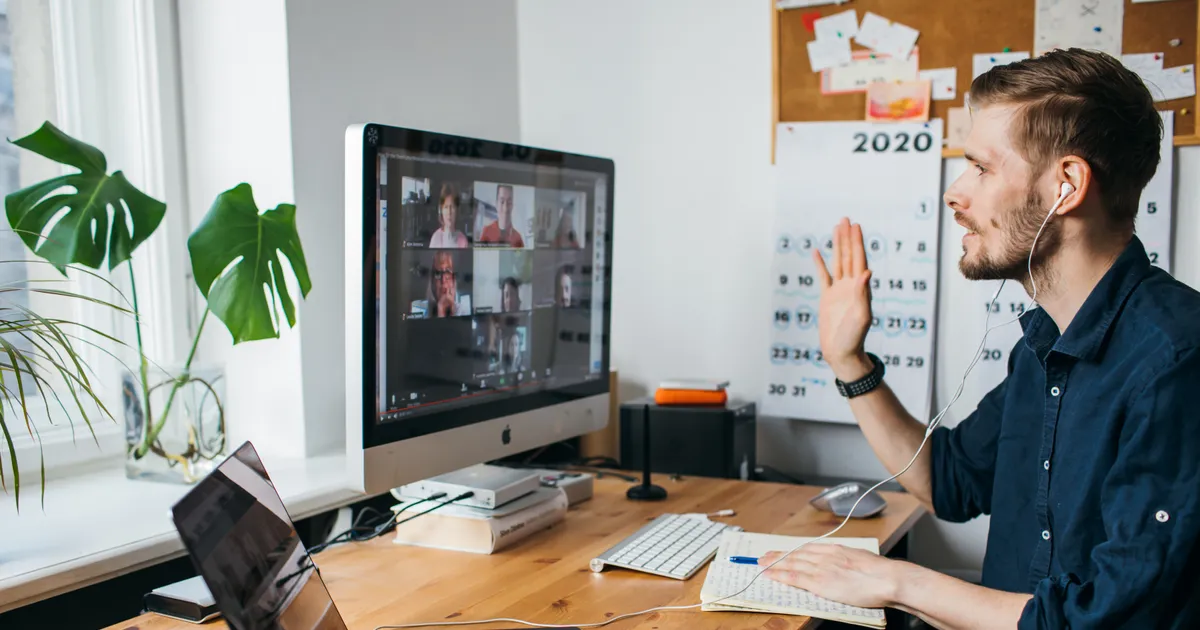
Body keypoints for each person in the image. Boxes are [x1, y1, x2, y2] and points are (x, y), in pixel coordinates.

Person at [759, 49, 1200, 628]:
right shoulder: (1042, 346)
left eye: (981, 168)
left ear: (1066, 185)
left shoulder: (1176, 360)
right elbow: (948, 483)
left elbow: (1106, 618)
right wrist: (848, 360)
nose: (956, 193)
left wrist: (895, 581)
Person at [421, 251, 468, 318]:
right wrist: (441, 311)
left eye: (448, 272)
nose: (443, 280)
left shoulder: (463, 311)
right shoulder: (425, 314)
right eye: (437, 274)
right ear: (432, 283)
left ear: (453, 281)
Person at [429, 183, 468, 248]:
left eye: (452, 207)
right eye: (446, 207)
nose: (449, 212)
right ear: (441, 211)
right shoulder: (436, 238)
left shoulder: (463, 240)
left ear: (456, 211)